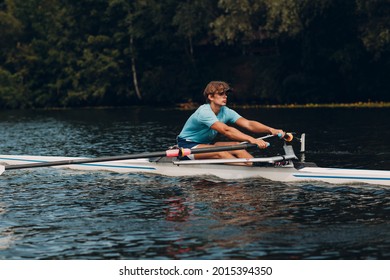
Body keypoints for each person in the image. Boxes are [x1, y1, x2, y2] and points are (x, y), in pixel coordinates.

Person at [177, 81, 285, 161]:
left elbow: (249, 124)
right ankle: (243, 173)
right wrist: (252, 140)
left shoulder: (226, 111)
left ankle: (253, 169)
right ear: (210, 97)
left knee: (239, 147)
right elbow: (226, 130)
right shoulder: (204, 111)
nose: (225, 96)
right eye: (221, 94)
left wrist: (271, 130)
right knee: (221, 152)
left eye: (225, 94)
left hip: (206, 144)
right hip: (187, 146)